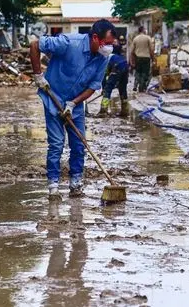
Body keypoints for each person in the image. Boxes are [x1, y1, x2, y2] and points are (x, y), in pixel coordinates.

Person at [30, 19, 116, 200]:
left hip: (75, 105)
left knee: (78, 145)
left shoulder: (102, 58)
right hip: (52, 99)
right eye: (106, 43)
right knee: (56, 144)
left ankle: (75, 184)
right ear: (95, 38)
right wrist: (38, 75)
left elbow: (93, 86)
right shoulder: (69, 42)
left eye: (111, 44)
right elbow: (35, 44)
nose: (109, 48)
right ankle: (53, 186)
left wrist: (73, 103)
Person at [98, 40, 129, 118]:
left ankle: (103, 111)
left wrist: (104, 89)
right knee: (122, 88)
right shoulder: (111, 56)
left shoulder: (104, 60)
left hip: (117, 66)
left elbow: (104, 77)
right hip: (125, 64)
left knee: (108, 89)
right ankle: (125, 110)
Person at [130, 26, 155, 92]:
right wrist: (153, 59)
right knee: (145, 73)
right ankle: (142, 87)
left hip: (138, 58)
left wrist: (132, 61)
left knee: (138, 72)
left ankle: (135, 86)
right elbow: (151, 50)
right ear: (143, 30)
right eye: (145, 29)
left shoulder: (135, 39)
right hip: (146, 58)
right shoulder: (148, 38)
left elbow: (132, 51)